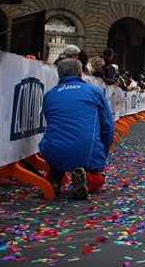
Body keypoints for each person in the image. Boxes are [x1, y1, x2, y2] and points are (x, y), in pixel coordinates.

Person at [39, 58, 114, 200]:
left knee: (59, 142)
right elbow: (108, 127)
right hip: (86, 150)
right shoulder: (94, 92)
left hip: (53, 152)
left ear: (59, 75)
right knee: (99, 178)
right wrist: (101, 155)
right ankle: (86, 180)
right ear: (81, 74)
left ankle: (55, 178)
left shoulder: (49, 95)